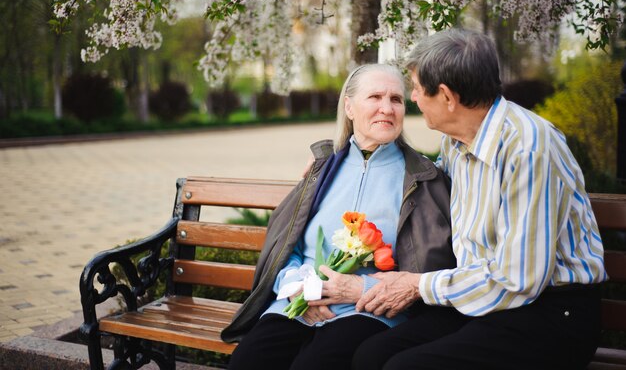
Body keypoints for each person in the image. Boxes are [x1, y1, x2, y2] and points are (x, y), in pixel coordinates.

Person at [352, 28, 607, 370]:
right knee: (370, 355)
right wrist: (342, 162)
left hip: (552, 313)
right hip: (484, 300)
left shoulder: (528, 149)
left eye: (416, 88)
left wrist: (418, 285)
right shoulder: (458, 142)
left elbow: (517, 280)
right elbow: (422, 182)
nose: (412, 97)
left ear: (446, 97)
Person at [222, 63, 456, 370]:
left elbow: (428, 268)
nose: (386, 108)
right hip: (297, 304)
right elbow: (286, 248)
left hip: (368, 310)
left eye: (396, 99)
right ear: (349, 106)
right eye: (375, 97)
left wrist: (366, 291)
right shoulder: (322, 169)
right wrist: (302, 291)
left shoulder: (423, 178)